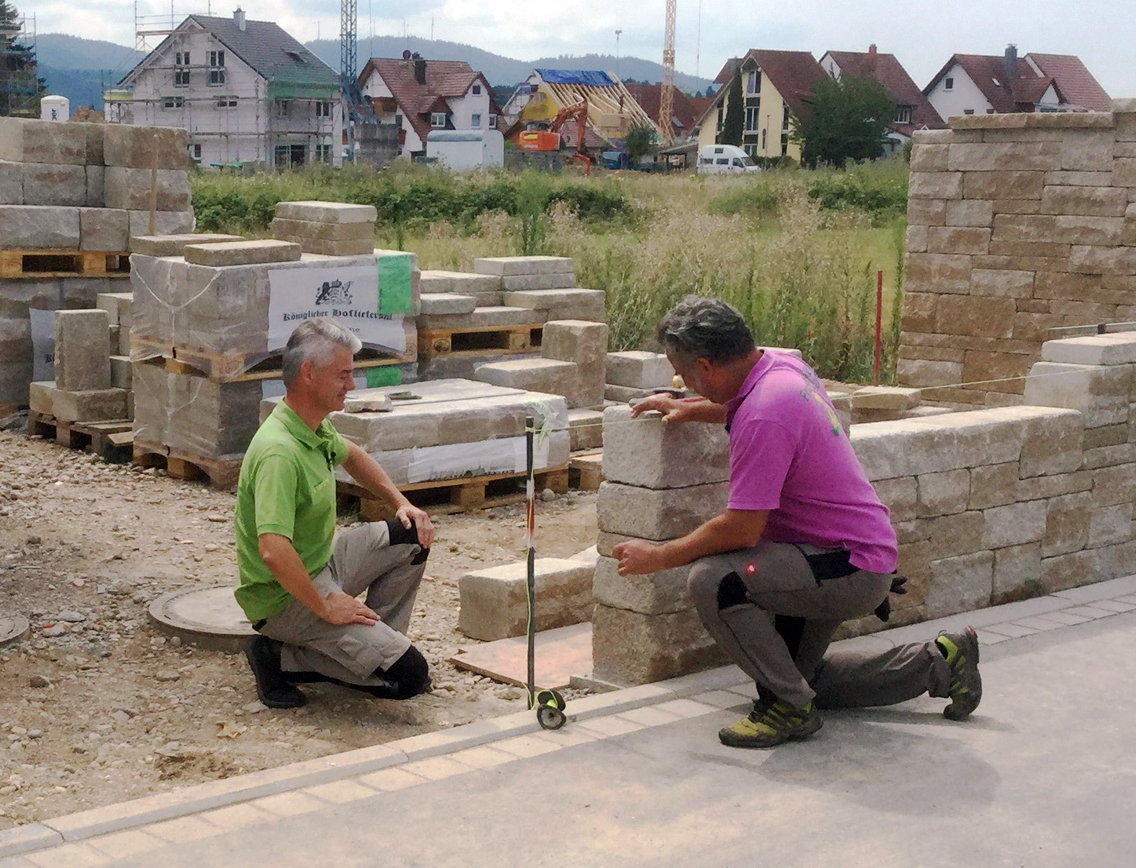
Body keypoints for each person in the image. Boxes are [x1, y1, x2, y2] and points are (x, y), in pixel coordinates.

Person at [614, 296, 981, 748]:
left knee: (715, 580)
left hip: (842, 565)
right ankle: (940, 661)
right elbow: (756, 408)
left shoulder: (764, 414)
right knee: (800, 679)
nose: (683, 384)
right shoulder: (782, 366)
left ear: (705, 366)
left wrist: (659, 556)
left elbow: (742, 529)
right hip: (844, 554)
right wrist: (695, 407)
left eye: (683, 375)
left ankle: (789, 710)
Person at [234, 319, 435, 709]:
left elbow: (354, 456)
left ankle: (370, 650)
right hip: (286, 600)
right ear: (309, 374)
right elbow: (273, 550)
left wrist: (401, 503)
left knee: (411, 533)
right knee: (410, 677)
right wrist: (325, 606)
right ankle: (278, 658)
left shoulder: (310, 424)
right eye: (343, 374)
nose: (352, 384)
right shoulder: (279, 451)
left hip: (322, 564)